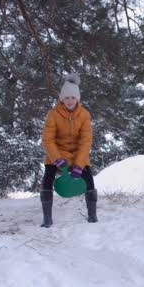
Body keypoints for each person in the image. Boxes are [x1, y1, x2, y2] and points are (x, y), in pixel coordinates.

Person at [39, 73, 97, 227]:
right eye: (67, 98)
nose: (70, 101)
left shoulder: (84, 115)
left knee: (89, 180)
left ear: (77, 99)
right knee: (48, 178)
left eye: (73, 98)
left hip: (78, 155)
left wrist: (78, 165)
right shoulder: (53, 115)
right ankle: (47, 218)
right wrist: (57, 158)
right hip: (57, 155)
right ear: (61, 99)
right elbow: (47, 139)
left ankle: (92, 215)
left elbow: (86, 141)